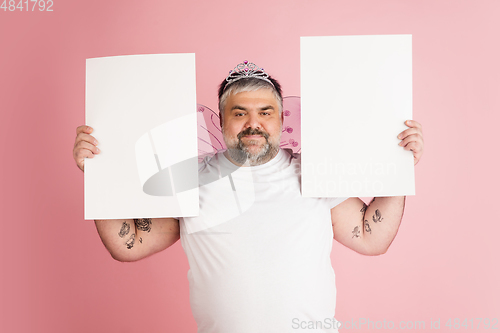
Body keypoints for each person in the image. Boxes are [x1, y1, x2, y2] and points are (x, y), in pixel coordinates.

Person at [73, 61, 424, 332]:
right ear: (221, 120)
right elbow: (128, 244)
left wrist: (398, 167)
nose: (252, 124)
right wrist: (99, 173)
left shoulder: (315, 172)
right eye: (239, 113)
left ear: (281, 117)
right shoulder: (189, 180)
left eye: (265, 113)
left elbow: (371, 236)